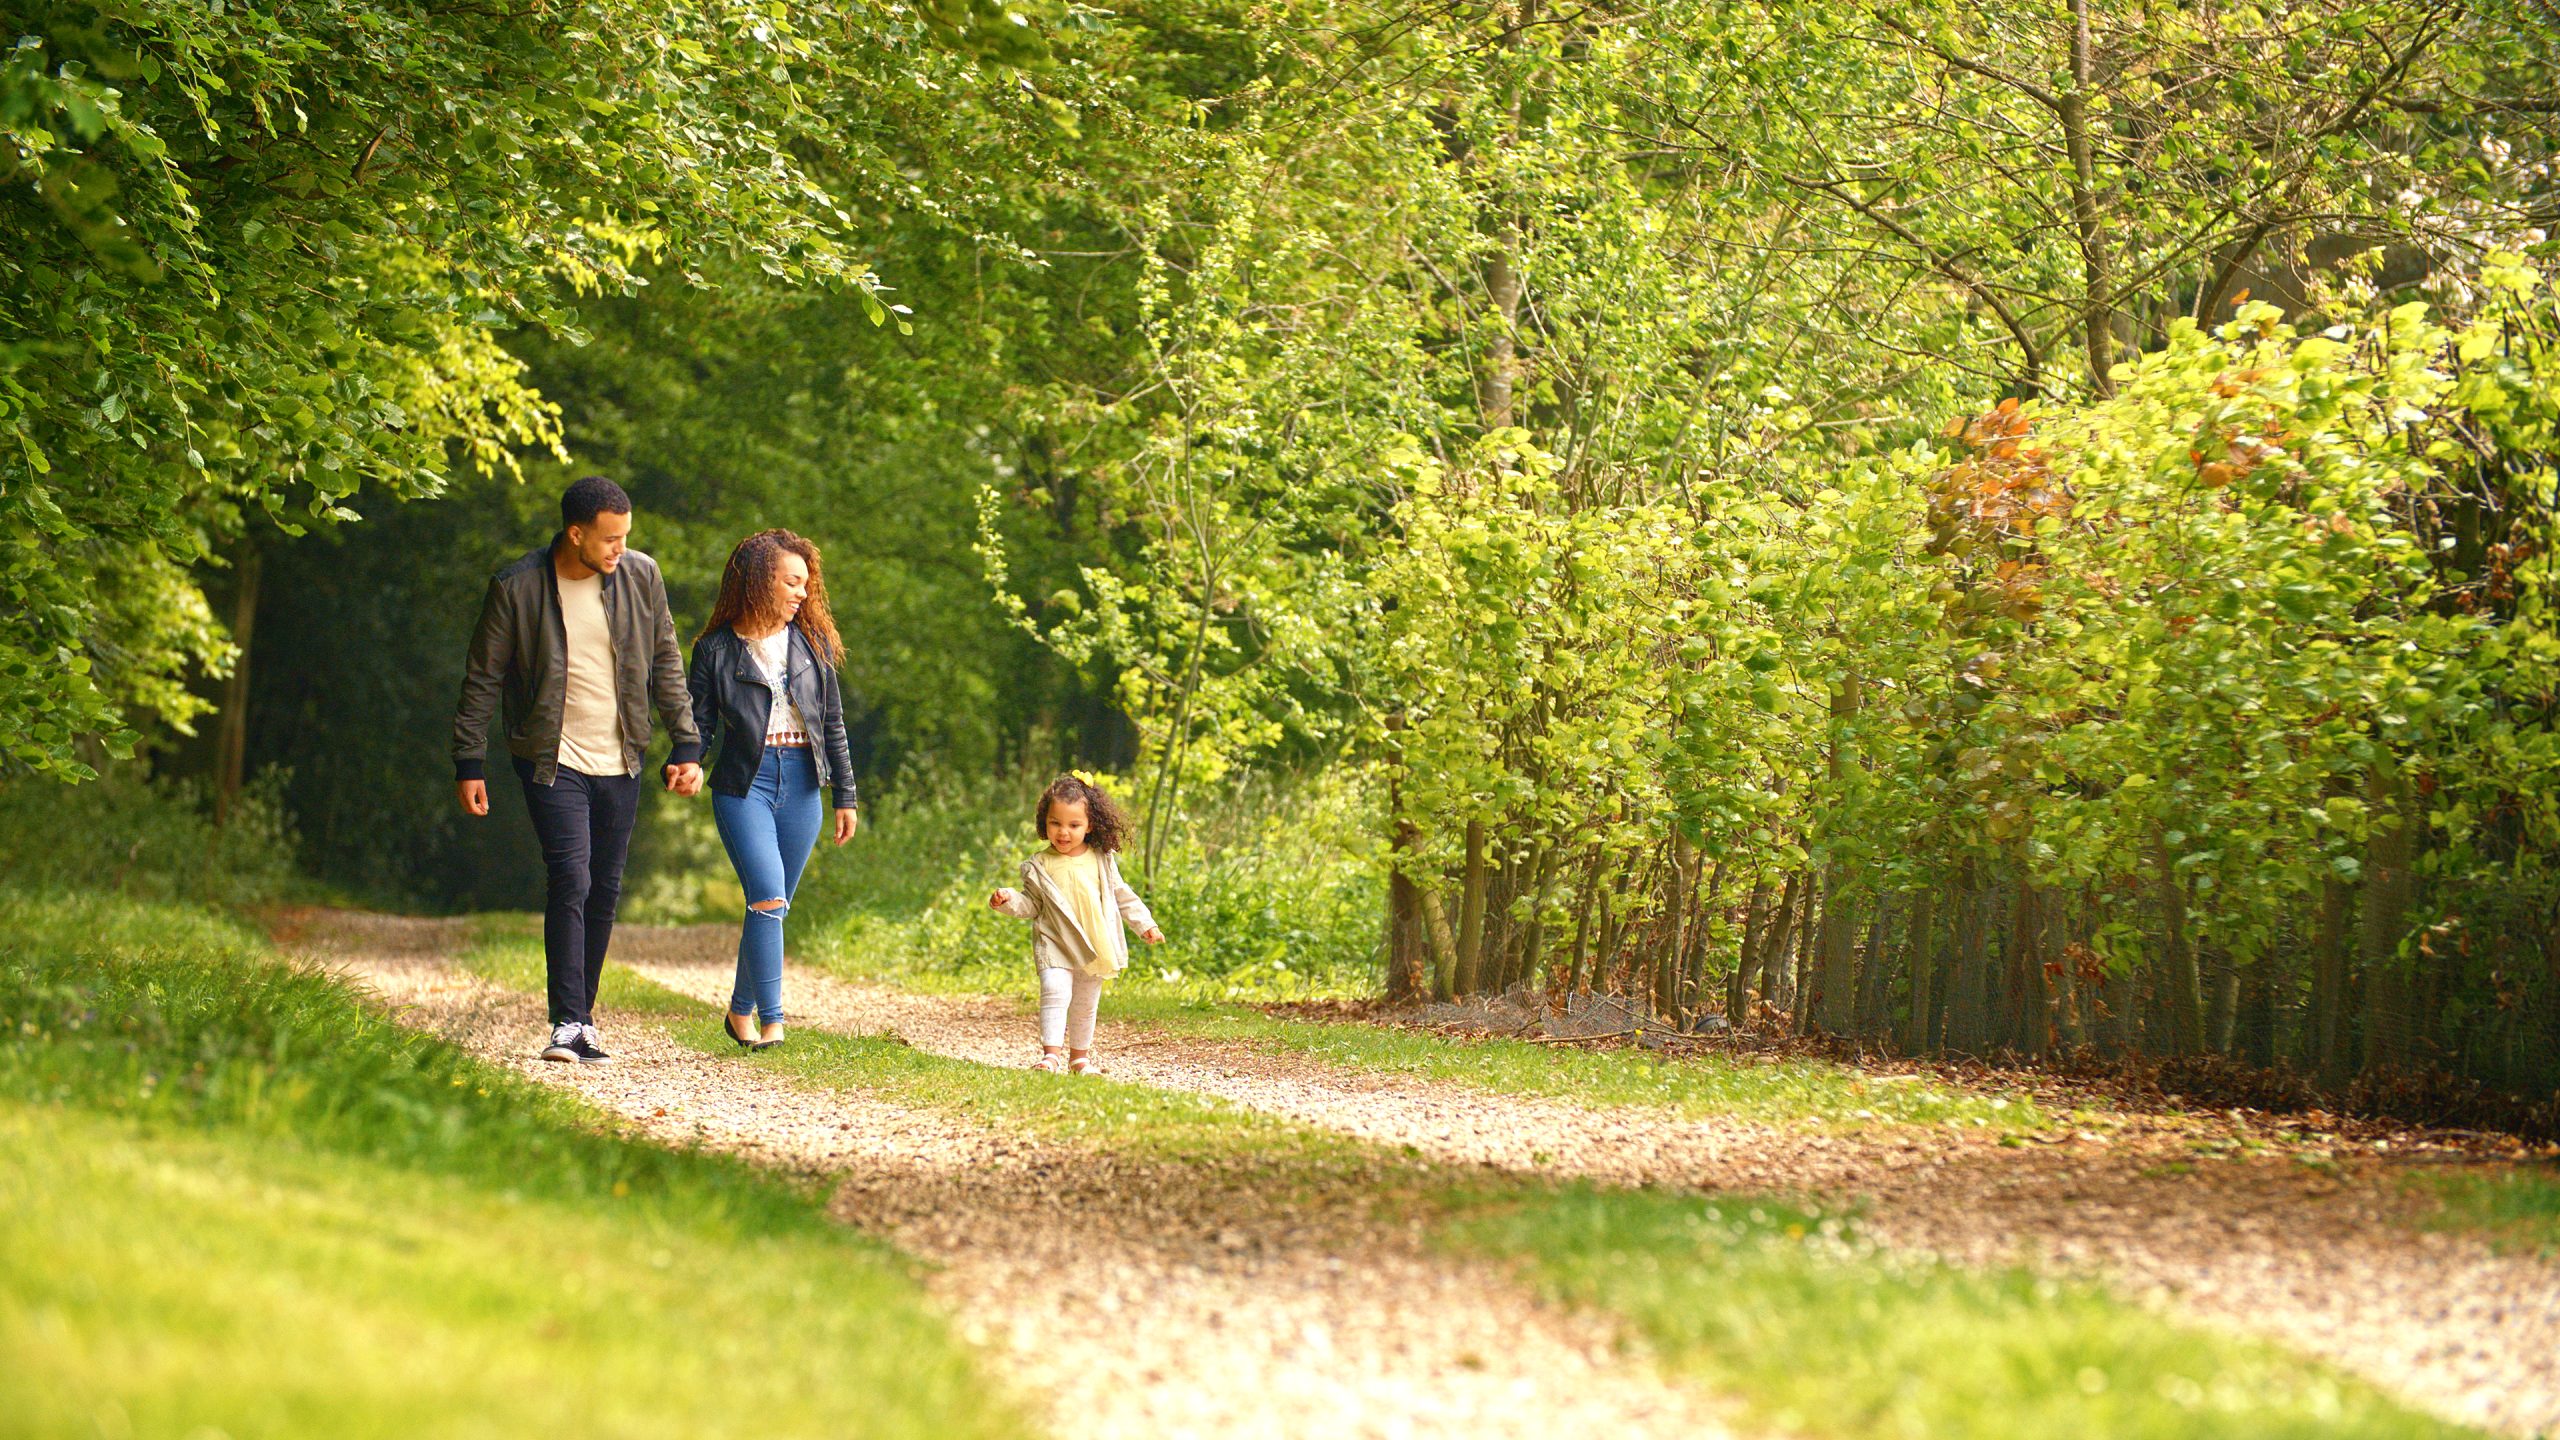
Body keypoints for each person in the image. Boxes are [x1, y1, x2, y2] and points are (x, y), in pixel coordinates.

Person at [452, 476, 703, 1064]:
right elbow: (482, 678)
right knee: (572, 876)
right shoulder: (516, 588)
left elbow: (666, 660)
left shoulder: (641, 577)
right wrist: (470, 759)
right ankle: (568, 1019)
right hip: (549, 756)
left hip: (621, 757)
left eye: (625, 537)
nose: (620, 549)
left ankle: (580, 1019)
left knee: (605, 888)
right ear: (576, 533)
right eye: (610, 538)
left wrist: (686, 746)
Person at [687, 529, 860, 1052]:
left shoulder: (813, 645)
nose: (803, 594)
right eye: (792, 582)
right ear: (762, 581)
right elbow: (698, 724)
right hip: (746, 785)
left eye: (806, 584)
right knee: (766, 898)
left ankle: (740, 1011)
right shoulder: (715, 650)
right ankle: (774, 1022)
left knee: (773, 906)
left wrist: (845, 796)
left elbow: (832, 723)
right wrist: (687, 761)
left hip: (804, 784)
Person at [988, 775, 1164, 1074]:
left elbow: (1122, 896)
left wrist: (1144, 924)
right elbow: (1032, 904)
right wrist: (1008, 901)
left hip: (1094, 943)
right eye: (1056, 823)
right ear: (1045, 822)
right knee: (1054, 989)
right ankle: (1051, 1055)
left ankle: (1079, 1057)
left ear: (1090, 825)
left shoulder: (1101, 859)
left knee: (1084, 1003)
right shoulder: (1039, 865)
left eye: (1073, 825)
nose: (1064, 832)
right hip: (1055, 940)